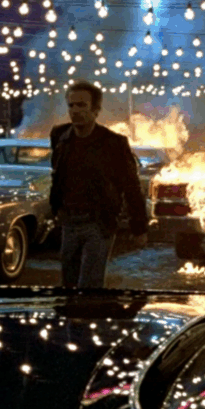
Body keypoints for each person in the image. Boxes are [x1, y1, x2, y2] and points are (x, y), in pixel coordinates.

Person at [49, 80, 148, 289]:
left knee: (90, 285)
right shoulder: (60, 137)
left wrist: (138, 227)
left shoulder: (114, 143)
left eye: (82, 105)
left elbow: (131, 186)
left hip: (98, 222)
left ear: (95, 110)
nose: (75, 111)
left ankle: (90, 310)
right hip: (69, 221)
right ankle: (72, 312)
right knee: (68, 282)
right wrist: (56, 209)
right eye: (71, 105)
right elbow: (58, 175)